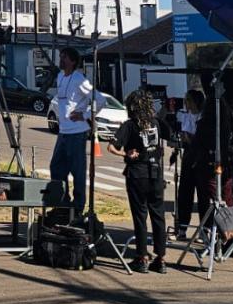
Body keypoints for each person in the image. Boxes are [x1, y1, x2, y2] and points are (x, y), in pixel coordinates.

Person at [113, 90, 172, 273]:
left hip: (137, 174)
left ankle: (142, 257)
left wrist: (126, 153)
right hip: (155, 173)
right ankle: (161, 258)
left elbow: (111, 146)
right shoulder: (156, 123)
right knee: (158, 214)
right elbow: (170, 135)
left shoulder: (130, 126)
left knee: (140, 215)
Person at [49, 47, 103, 218]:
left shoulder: (79, 79)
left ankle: (78, 206)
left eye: (64, 57)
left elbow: (100, 100)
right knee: (56, 167)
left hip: (77, 132)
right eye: (60, 56)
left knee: (77, 170)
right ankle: (63, 202)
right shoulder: (60, 77)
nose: (61, 60)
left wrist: (85, 114)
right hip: (63, 131)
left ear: (72, 61)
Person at [173, 90, 206, 237]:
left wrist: (190, 138)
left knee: (203, 196)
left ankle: (204, 230)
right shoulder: (185, 115)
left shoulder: (203, 117)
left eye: (189, 100)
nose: (187, 103)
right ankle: (182, 228)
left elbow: (200, 140)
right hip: (187, 156)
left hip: (200, 158)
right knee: (185, 193)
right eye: (186, 100)